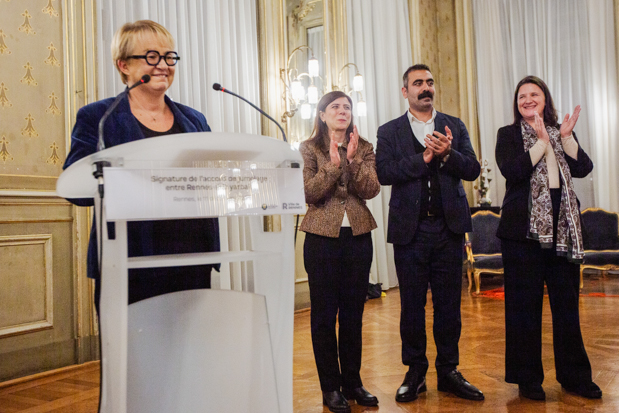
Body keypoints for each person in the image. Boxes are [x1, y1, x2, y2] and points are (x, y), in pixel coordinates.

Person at [63, 20, 219, 313]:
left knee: (190, 343)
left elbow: (212, 178)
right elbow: (77, 188)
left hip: (192, 259)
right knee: (133, 344)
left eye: (169, 56)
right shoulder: (100, 117)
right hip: (130, 263)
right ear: (123, 65)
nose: (163, 65)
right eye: (151, 56)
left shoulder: (194, 120)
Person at [376, 64, 483, 402]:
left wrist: (448, 153)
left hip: (448, 229)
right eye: (418, 83)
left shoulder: (455, 125)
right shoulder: (389, 131)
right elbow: (384, 173)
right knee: (411, 306)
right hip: (410, 231)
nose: (426, 88)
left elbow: (473, 169)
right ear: (405, 91)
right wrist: (423, 158)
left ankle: (449, 371)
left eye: (430, 82)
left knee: (449, 305)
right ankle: (415, 372)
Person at [495, 76, 601, 401]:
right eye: (522, 96)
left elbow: (583, 168)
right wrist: (541, 144)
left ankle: (574, 377)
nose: (527, 99)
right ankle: (528, 379)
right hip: (521, 232)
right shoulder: (508, 134)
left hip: (562, 228)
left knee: (566, 307)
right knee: (523, 308)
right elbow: (511, 171)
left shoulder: (561, 131)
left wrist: (565, 138)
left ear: (545, 99)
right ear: (517, 103)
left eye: (534, 94)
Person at [300, 91, 380, 413]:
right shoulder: (309, 148)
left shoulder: (365, 147)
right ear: (322, 114)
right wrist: (333, 167)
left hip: (358, 237)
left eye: (347, 106)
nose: (342, 111)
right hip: (321, 239)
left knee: (353, 315)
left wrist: (354, 160)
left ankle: (353, 383)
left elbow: (371, 189)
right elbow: (308, 193)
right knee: (323, 316)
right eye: (335, 106)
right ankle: (330, 388)